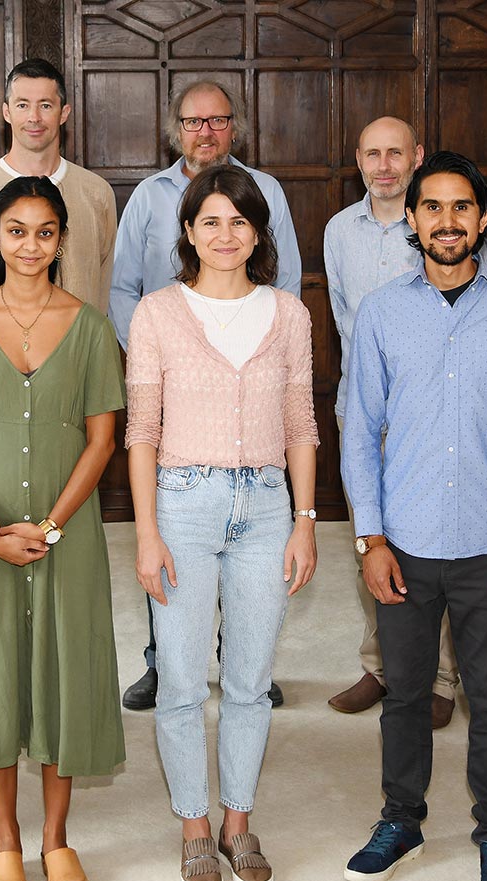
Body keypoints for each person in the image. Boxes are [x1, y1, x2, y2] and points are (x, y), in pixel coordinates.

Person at [339, 152, 487, 881]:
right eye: (432, 208)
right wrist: (370, 539)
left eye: (463, 208)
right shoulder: (382, 314)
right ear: (414, 221)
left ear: (484, 220)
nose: (447, 222)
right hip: (404, 541)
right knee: (404, 694)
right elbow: (359, 432)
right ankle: (402, 819)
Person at [0, 176, 125, 881]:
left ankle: (56, 838)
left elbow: (103, 442)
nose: (30, 244)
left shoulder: (92, 327)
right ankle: (7, 840)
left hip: (67, 537)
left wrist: (49, 527)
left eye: (45, 231)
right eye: (16, 229)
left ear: (62, 240)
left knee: (64, 676)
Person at [127, 166, 319, 881]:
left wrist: (305, 522)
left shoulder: (288, 315)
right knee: (179, 681)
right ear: (187, 232)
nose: (224, 234)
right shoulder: (156, 313)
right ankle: (194, 828)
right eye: (210, 221)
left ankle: (240, 824)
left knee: (248, 681)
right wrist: (147, 533)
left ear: (258, 232)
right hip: (182, 503)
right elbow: (141, 430)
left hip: (268, 507)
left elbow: (301, 425)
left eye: (239, 221)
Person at [113, 78, 304, 710]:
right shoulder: (147, 196)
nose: (206, 132)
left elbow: (290, 285)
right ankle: (162, 661)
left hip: (253, 381)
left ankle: (247, 660)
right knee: (167, 534)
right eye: (194, 122)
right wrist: (158, 357)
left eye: (218, 121)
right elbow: (123, 289)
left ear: (234, 128)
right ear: (176, 130)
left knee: (250, 555)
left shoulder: (267, 192)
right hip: (168, 381)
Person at [320, 115, 481, 730]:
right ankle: (381, 664)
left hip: (434, 414)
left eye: (395, 153)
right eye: (371, 155)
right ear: (358, 161)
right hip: (363, 412)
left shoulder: (445, 224)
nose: (384, 165)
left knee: (434, 543)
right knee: (372, 539)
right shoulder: (340, 231)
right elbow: (342, 317)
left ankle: (439, 676)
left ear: (417, 155)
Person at [0, 59, 118, 316]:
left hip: (78, 352)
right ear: (7, 112)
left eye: (45, 105)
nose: (34, 118)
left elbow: (103, 289)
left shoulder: (97, 194)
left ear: (64, 113)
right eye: (22, 105)